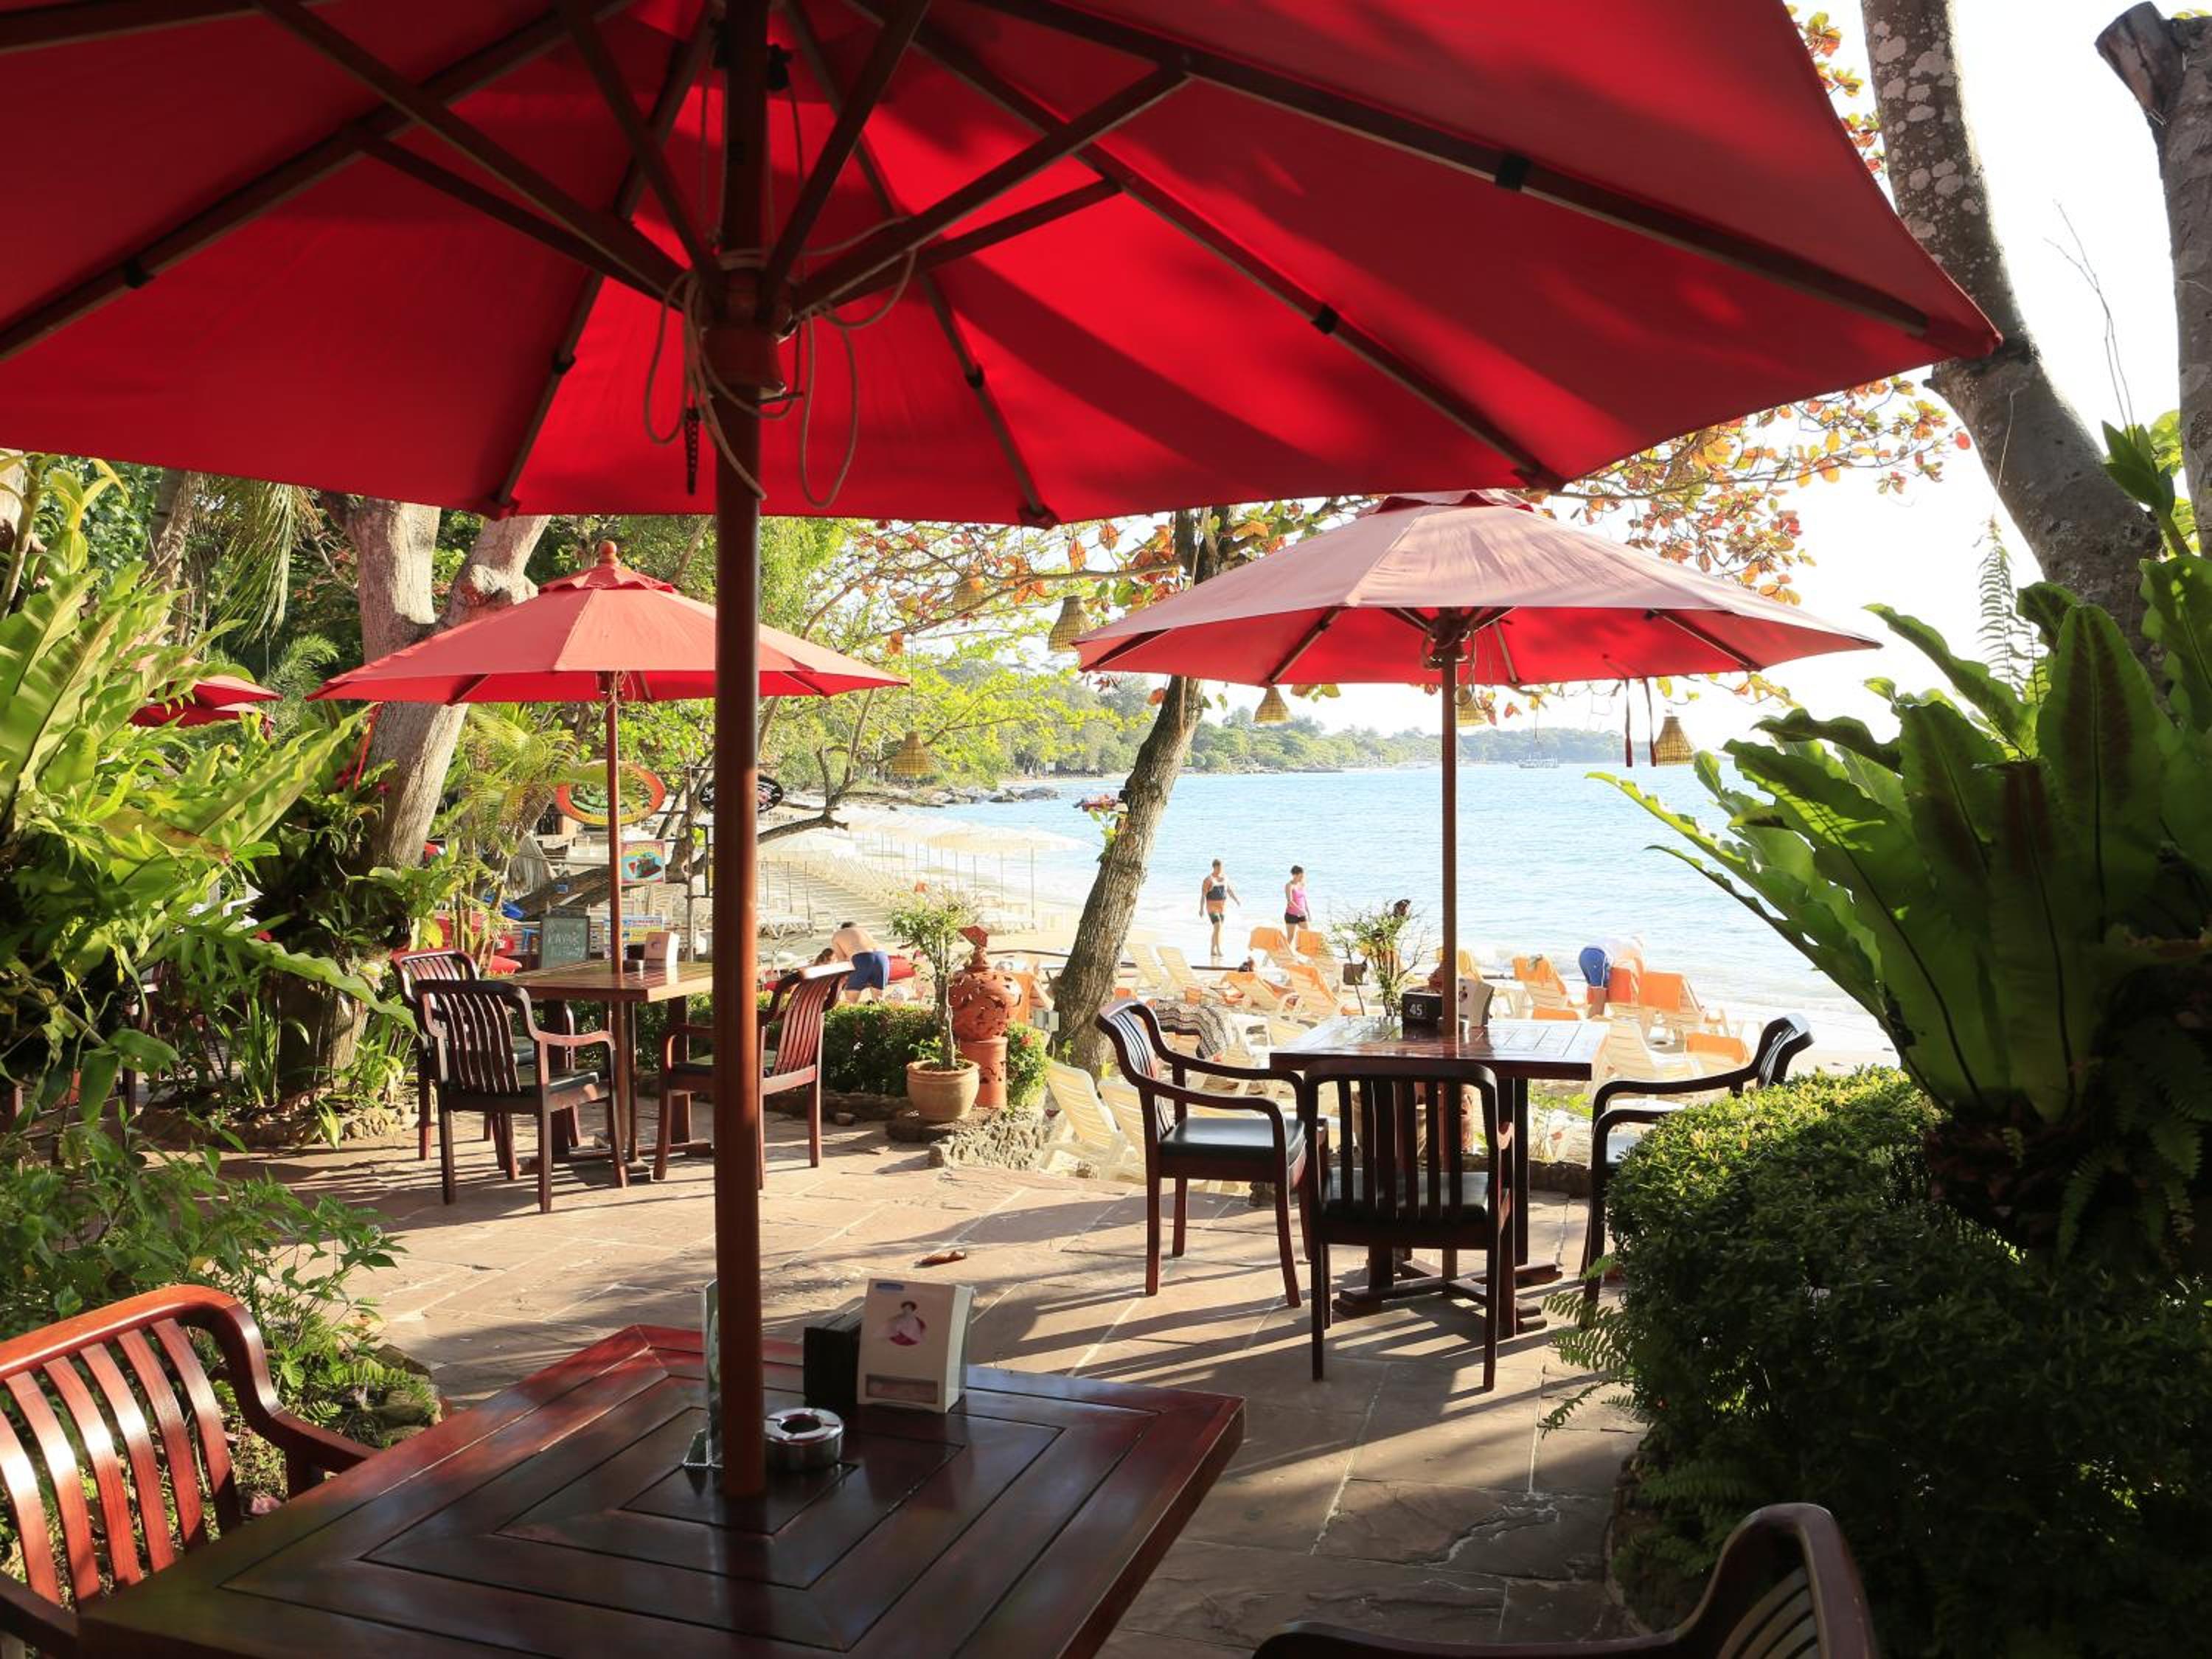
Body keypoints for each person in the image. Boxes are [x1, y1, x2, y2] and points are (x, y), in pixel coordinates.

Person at [830, 919, 891, 1002]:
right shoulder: (865, 932)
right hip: (882, 957)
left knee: (851, 1001)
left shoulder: (837, 935)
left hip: (862, 958)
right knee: (878, 999)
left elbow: (842, 960)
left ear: (842, 929)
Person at [1198, 859, 1239, 961]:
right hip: (1211, 907)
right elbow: (1203, 895)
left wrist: (1236, 900)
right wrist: (1201, 909)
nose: (1221, 869)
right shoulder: (1208, 880)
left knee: (1218, 929)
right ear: (1215, 867)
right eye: (1219, 867)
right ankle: (1219, 949)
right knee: (1218, 926)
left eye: (1222, 867)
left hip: (1222, 907)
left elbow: (1229, 890)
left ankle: (1212, 950)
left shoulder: (1225, 878)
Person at [1283, 865, 1311, 931]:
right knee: (1291, 937)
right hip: (1291, 915)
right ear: (1294, 875)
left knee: (1307, 933)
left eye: (1303, 876)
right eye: (1300, 876)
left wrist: (1308, 912)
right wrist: (1300, 910)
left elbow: (1304, 899)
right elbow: (1290, 901)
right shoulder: (1289, 885)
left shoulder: (1302, 884)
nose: (1302, 878)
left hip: (1302, 914)